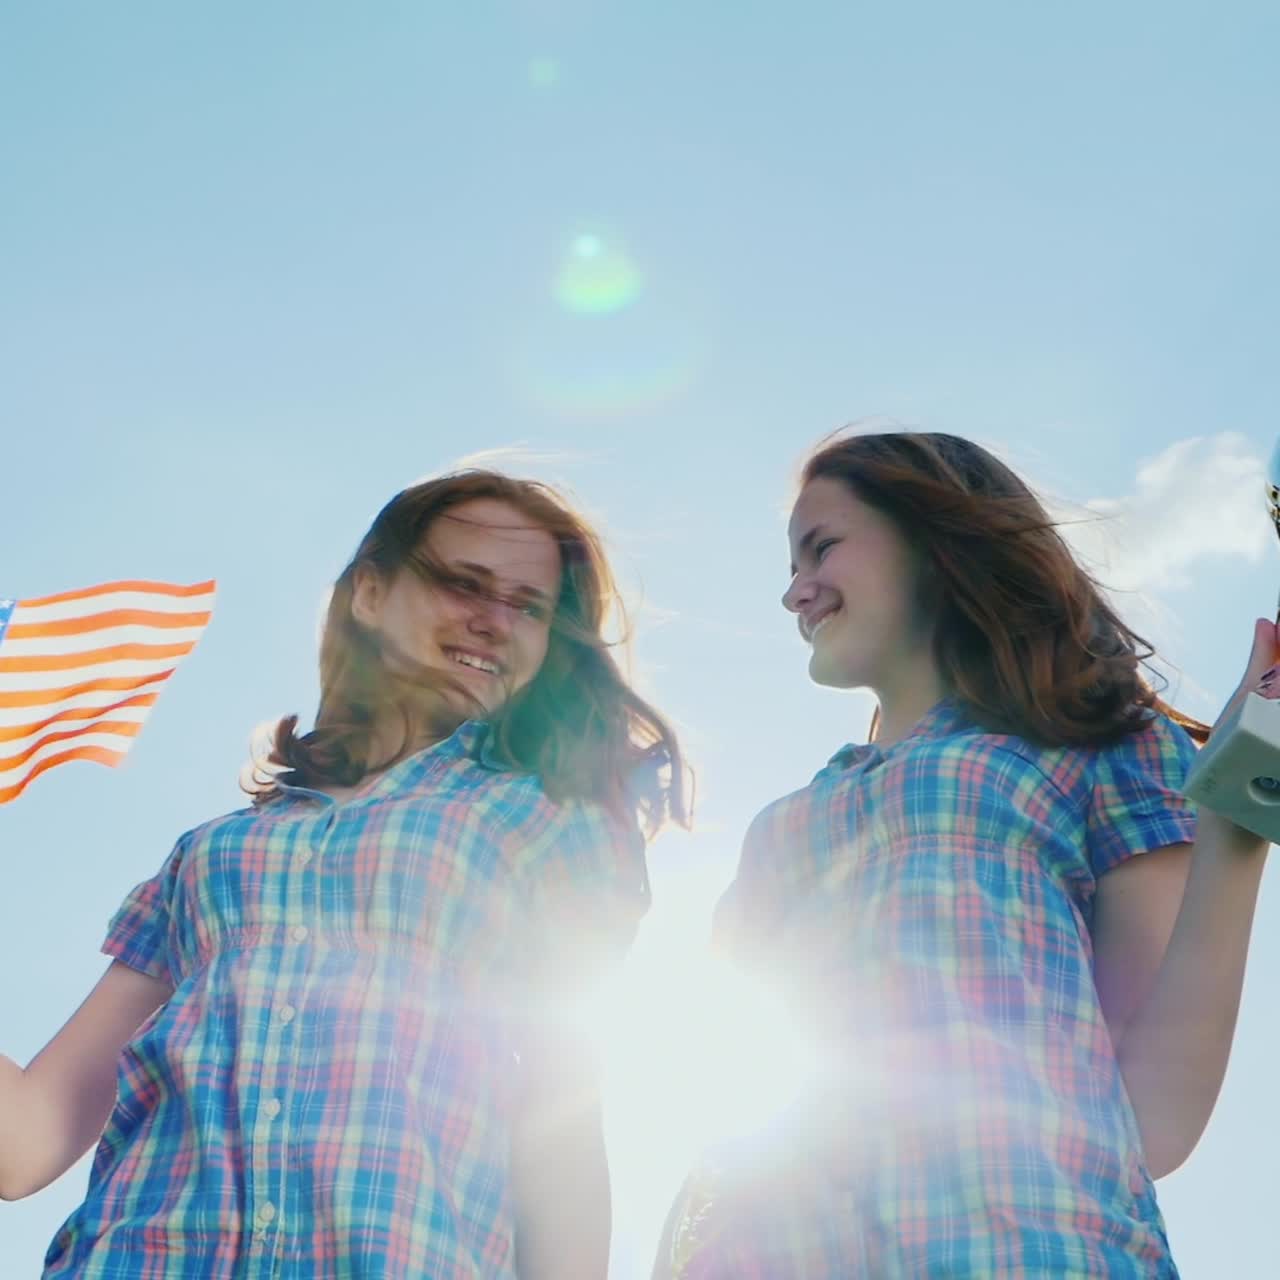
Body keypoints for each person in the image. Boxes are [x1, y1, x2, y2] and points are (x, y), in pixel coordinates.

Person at [0, 468, 687, 1279]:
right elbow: (29, 1142)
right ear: (368, 594)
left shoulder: (546, 819)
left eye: (529, 606)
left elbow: (560, 1120)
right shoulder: (208, 853)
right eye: (462, 584)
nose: (495, 621)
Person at [655, 430, 1271, 1279]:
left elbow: (1152, 1120)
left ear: (934, 539)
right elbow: (720, 1132)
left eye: (821, 548)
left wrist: (1243, 802)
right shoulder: (780, 830)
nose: (795, 592)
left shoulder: (1099, 745)